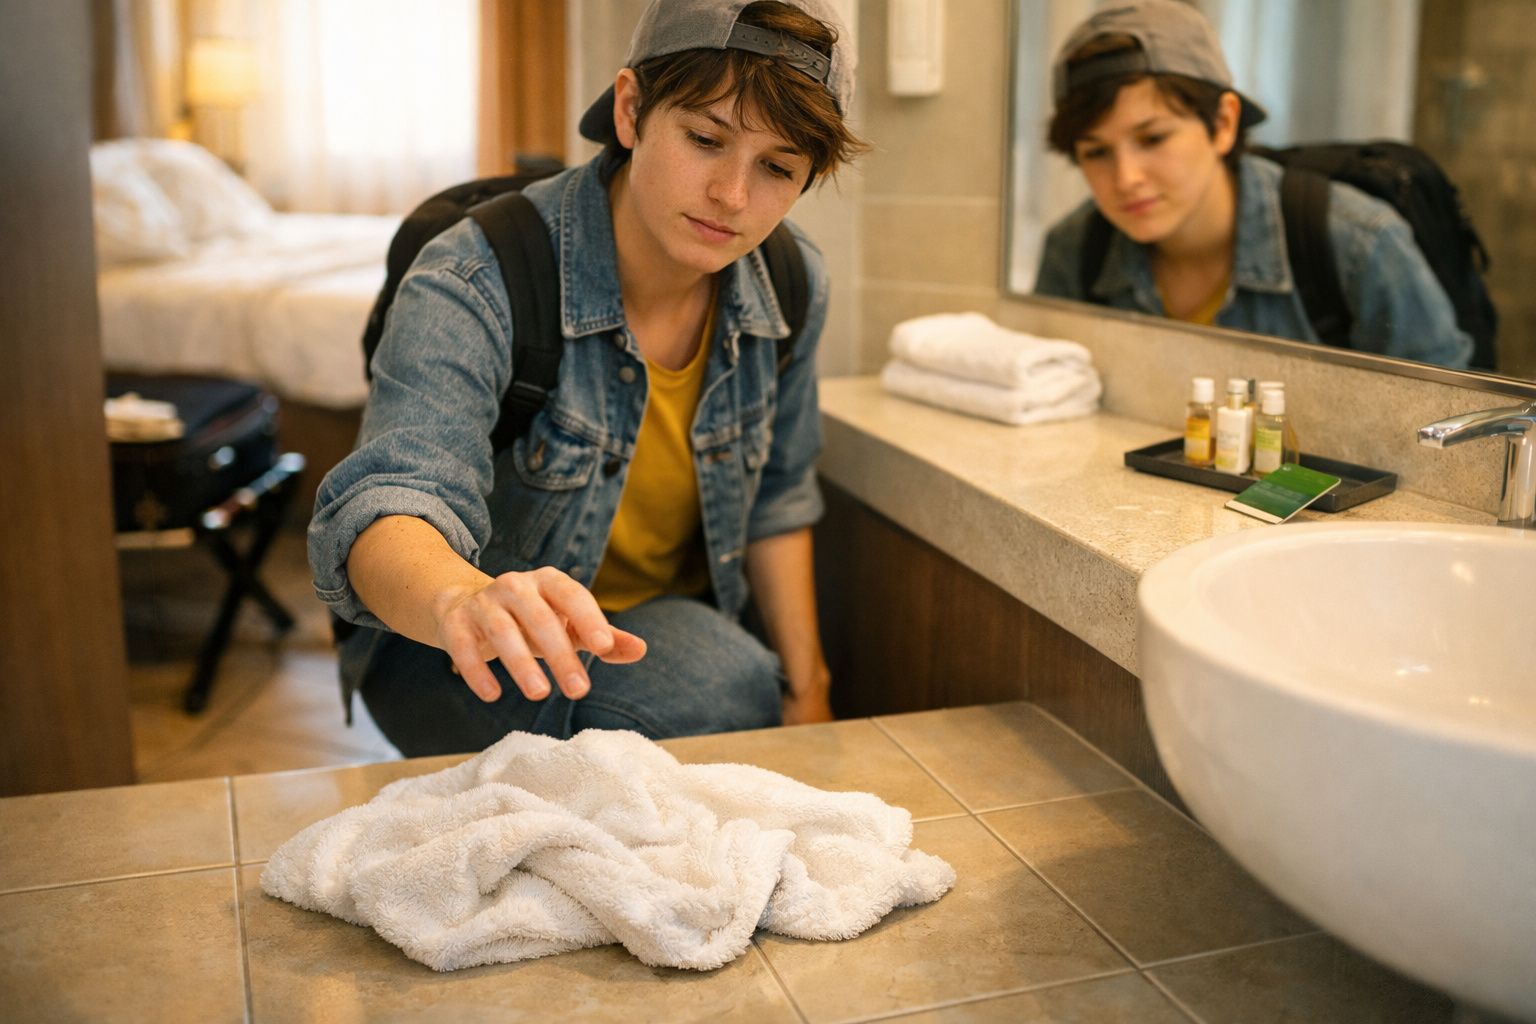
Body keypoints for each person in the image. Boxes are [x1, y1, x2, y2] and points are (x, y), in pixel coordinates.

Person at [309, 0, 866, 755]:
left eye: (777, 167)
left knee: (728, 682)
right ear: (631, 110)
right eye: (706, 139)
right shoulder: (474, 274)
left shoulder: (791, 282)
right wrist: (466, 599)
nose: (733, 196)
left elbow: (779, 497)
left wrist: (810, 693)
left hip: (653, 630)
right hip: (450, 640)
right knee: (707, 702)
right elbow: (394, 496)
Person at [1033, 0, 1472, 369]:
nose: (1126, 179)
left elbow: (1452, 423)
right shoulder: (1074, 250)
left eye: (1153, 138)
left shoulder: (1357, 243)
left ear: (1224, 123)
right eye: (1096, 152)